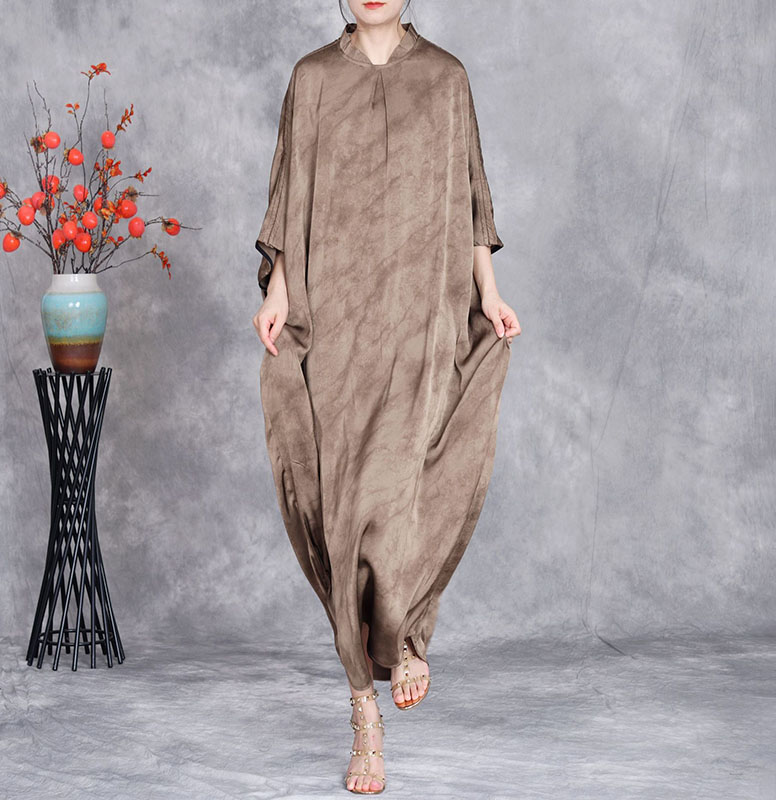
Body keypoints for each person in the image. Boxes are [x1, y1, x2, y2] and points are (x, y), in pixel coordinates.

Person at [251, 0, 521, 793]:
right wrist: (278, 289)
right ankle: (363, 704)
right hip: (335, 316)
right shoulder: (311, 79)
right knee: (343, 507)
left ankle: (403, 638)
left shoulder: (445, 79)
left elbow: (469, 198)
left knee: (404, 488)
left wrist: (489, 293)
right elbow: (290, 196)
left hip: (421, 316)